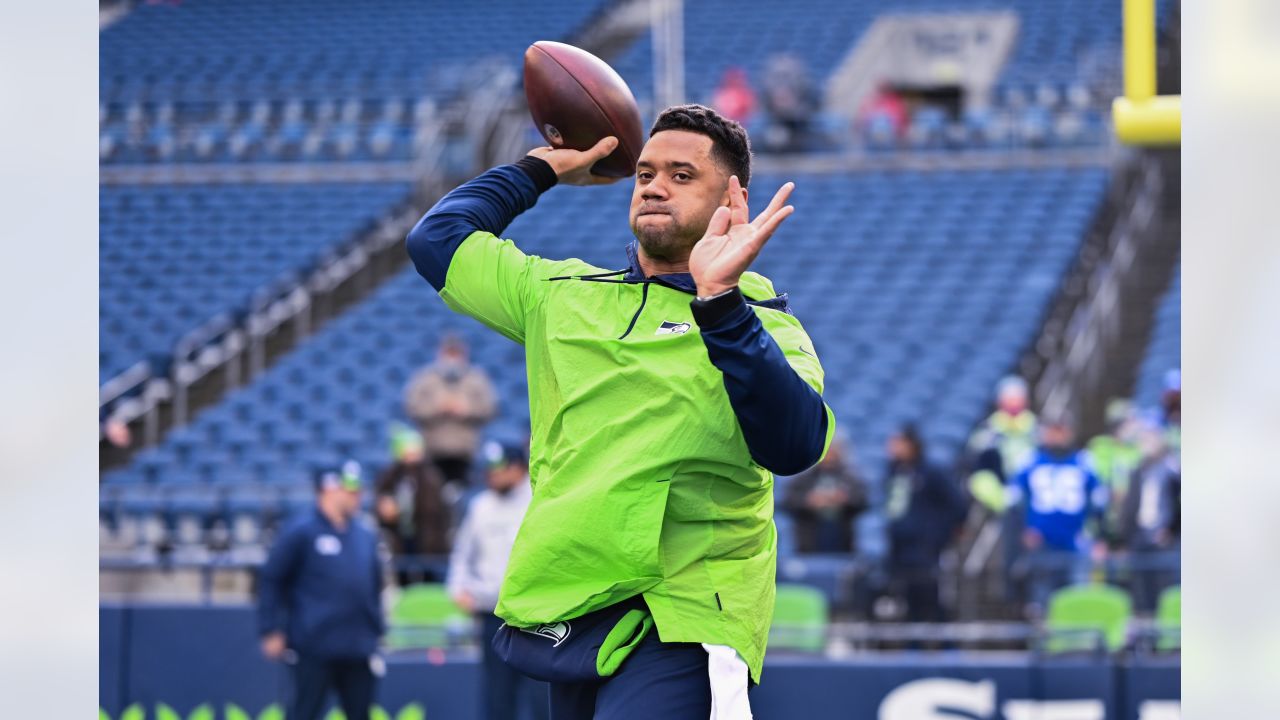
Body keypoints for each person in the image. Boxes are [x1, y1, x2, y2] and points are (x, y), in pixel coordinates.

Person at [405, 103, 833, 718]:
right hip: (576, 611)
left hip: (685, 618)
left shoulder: (763, 320)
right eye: (645, 173)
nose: (655, 185)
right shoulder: (560, 297)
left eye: (682, 175)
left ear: (730, 199)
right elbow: (436, 240)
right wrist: (539, 169)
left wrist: (720, 304)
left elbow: (795, 446)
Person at [257, 462, 386, 720]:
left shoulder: (365, 534)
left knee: (360, 713)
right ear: (329, 489)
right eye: (350, 489)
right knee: (304, 712)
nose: (357, 495)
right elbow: (272, 578)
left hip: (358, 646)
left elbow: (374, 585)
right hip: (314, 645)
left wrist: (377, 629)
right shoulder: (300, 531)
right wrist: (270, 628)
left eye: (358, 489)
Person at [449, 440, 549, 720]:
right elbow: (461, 554)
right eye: (490, 469)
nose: (493, 474)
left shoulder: (536, 499)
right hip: (492, 613)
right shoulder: (480, 506)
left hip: (534, 615)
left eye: (500, 468)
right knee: (496, 696)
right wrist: (459, 589)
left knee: (540, 695)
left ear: (518, 468)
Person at [1009, 418, 1108, 613]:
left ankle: (1077, 639)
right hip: (1041, 541)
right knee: (1041, 599)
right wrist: (1023, 530)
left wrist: (1100, 536)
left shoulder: (1084, 461)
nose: (1057, 436)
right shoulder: (1031, 461)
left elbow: (1099, 499)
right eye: (1053, 431)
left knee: (1077, 595)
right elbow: (1014, 500)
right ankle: (1044, 640)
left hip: (1075, 539)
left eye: (1061, 430)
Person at [883, 425, 968, 622]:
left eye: (898, 443)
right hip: (901, 548)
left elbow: (956, 504)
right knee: (908, 600)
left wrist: (939, 533)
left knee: (931, 598)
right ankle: (912, 646)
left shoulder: (931, 472)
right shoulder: (894, 472)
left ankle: (944, 646)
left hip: (925, 549)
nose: (892, 448)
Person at [404, 335, 498, 491]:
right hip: (433, 450)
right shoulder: (426, 378)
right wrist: (437, 407)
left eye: (456, 353)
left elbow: (489, 408)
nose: (452, 358)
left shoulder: (476, 379)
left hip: (464, 452)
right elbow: (412, 407)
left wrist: (466, 409)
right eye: (449, 353)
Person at [1114, 425, 1181, 612]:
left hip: (1164, 542)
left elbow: (1180, 504)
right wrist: (1123, 539)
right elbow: (1129, 507)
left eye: (1151, 439)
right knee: (1140, 590)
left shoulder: (1172, 471)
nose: (1147, 444)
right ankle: (1145, 633)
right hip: (1139, 539)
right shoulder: (1138, 471)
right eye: (1144, 440)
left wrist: (1171, 529)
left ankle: (1163, 634)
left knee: (1164, 590)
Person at [374, 427, 452, 585]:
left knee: (429, 586)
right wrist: (385, 510)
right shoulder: (390, 477)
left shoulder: (431, 478)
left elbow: (435, 512)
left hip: (428, 543)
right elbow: (380, 503)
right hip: (400, 541)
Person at [780, 434, 867, 554]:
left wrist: (844, 499)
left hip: (842, 542)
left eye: (833, 450)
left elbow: (863, 500)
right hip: (808, 543)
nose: (829, 455)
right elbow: (786, 502)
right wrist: (809, 501)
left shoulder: (850, 476)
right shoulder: (803, 477)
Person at [967, 375, 1039, 513]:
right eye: (1009, 399)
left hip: (1031, 486)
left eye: (1017, 398)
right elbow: (976, 459)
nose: (1014, 403)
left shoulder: (1036, 428)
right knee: (980, 480)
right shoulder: (989, 429)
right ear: (1000, 401)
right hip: (1002, 485)